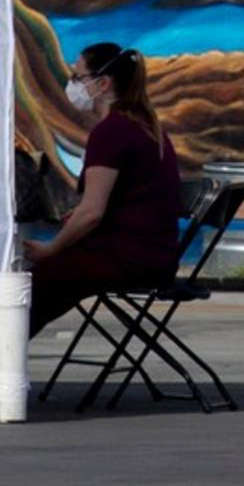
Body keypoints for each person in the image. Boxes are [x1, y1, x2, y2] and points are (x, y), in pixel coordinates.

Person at [22, 43, 185, 334]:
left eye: (77, 77)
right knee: (49, 281)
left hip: (129, 259)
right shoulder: (144, 126)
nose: (71, 85)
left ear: (103, 83)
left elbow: (92, 213)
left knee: (34, 286)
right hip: (155, 256)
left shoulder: (111, 133)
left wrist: (51, 248)